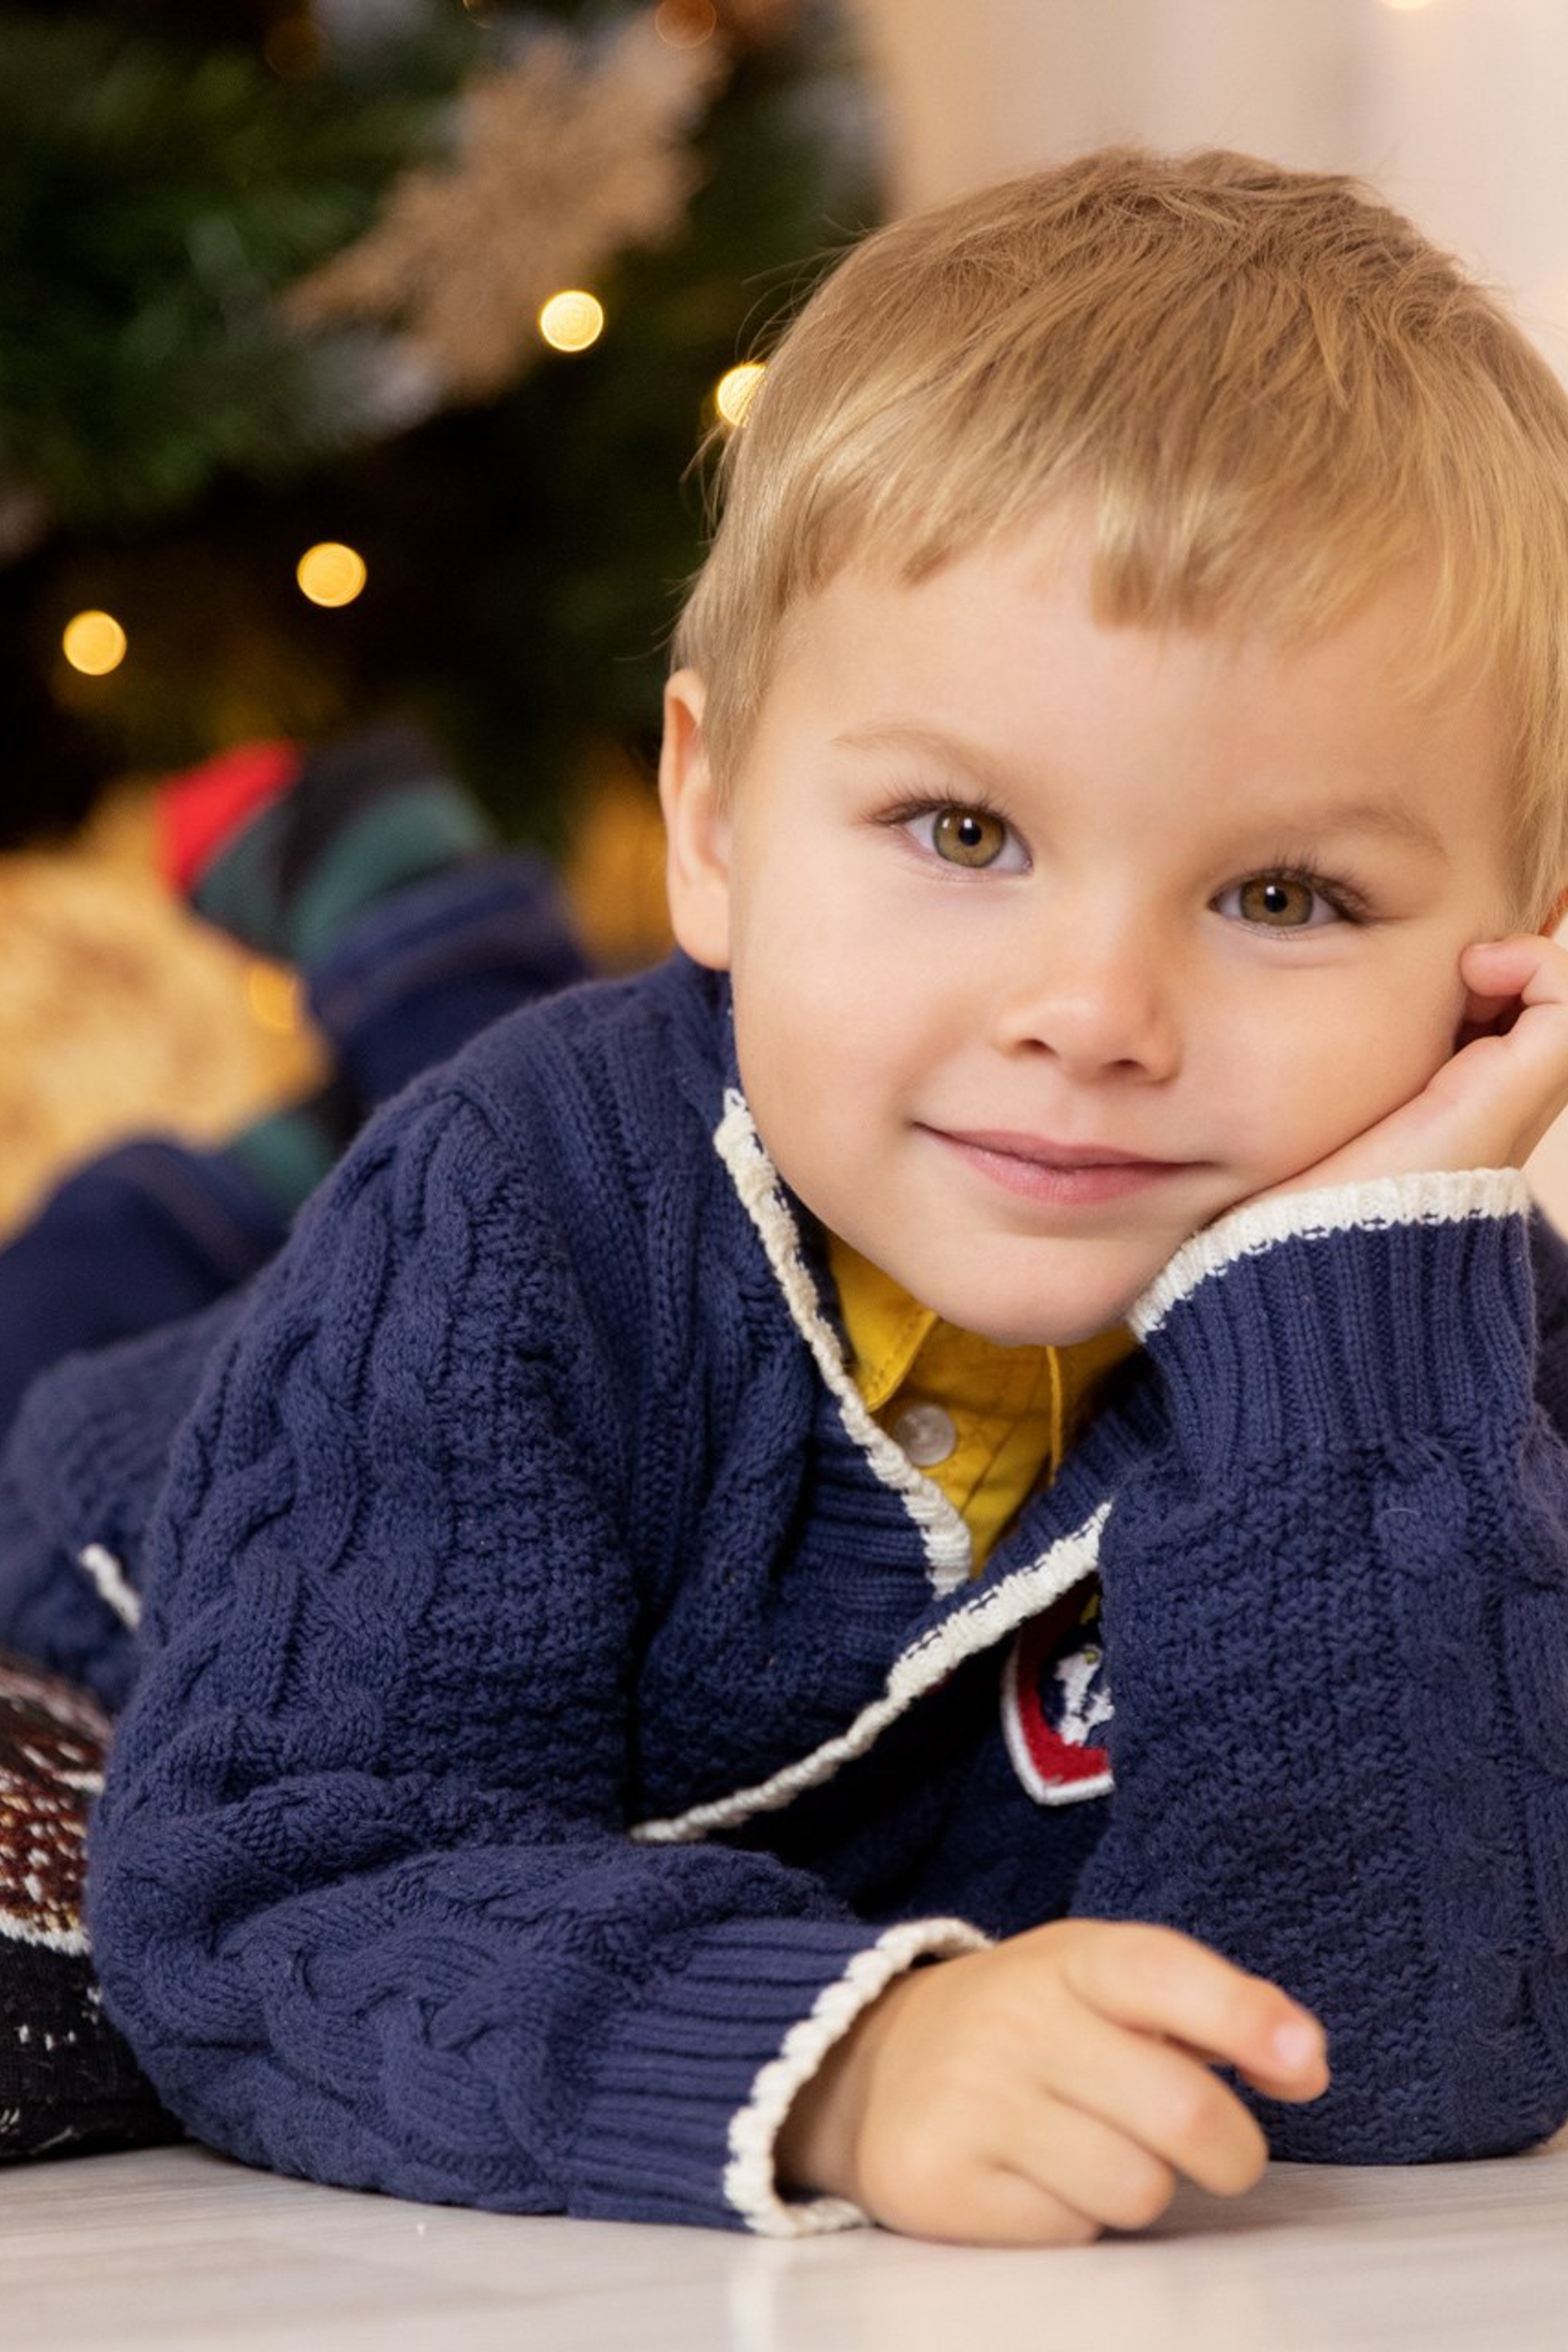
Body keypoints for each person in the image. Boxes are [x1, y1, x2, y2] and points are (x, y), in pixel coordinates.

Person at [6, 145, 1568, 2248]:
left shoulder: (1442, 1341)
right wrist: (840, 2061)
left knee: (550, 1100)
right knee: (160, 1256)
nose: (1095, 1014)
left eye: (1285, 895)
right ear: (715, 816)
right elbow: (275, 1884)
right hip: (120, 1550)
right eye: (964, 828)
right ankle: (370, 1035)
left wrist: (1354, 1312)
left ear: (1514, 953)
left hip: (669, 1149)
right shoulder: (510, 1218)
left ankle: (411, 991)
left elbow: (1398, 2063)